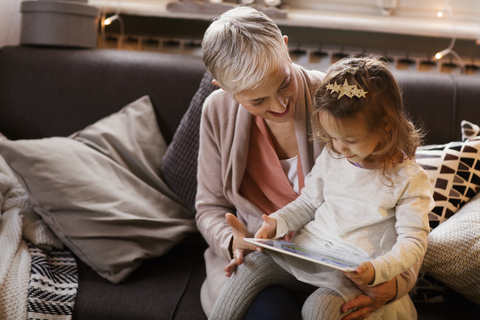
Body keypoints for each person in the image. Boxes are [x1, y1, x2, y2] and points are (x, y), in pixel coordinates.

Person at [196, 6, 422, 320]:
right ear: (224, 89)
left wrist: (396, 284)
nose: (278, 105)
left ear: (286, 48)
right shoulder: (216, 112)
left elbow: (403, 209)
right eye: (258, 101)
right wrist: (231, 240)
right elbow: (208, 206)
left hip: (340, 263)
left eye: (283, 84)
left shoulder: (339, 100)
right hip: (265, 259)